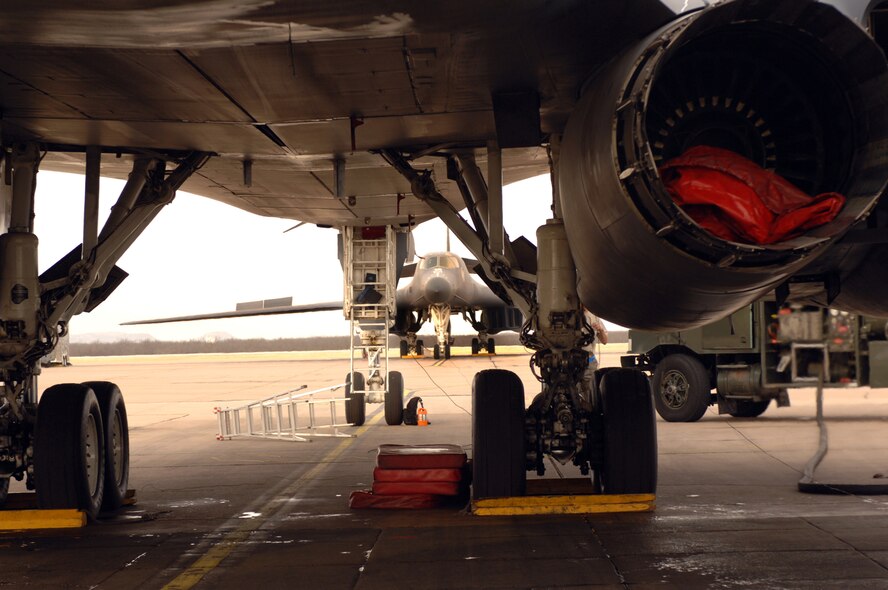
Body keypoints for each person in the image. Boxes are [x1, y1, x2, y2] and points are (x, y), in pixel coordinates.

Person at [581, 304, 608, 397]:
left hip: (590, 358)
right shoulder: (571, 316)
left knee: (590, 387)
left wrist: (600, 330)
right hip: (572, 358)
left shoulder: (594, 317)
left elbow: (605, 340)